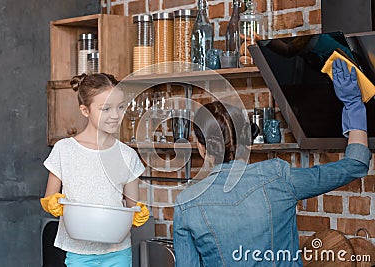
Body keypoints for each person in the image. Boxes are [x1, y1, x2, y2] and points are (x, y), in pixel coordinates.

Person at [173, 59, 371, 266]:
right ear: (246, 143)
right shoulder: (277, 177)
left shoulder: (186, 204)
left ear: (200, 147)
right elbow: (355, 163)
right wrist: (353, 104)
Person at [40, 73, 149, 267]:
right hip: (78, 253)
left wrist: (138, 213)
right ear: (85, 110)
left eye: (120, 107)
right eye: (106, 109)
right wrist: (52, 203)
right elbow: (49, 198)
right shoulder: (64, 150)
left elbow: (133, 208)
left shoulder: (128, 155)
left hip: (118, 253)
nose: (115, 115)